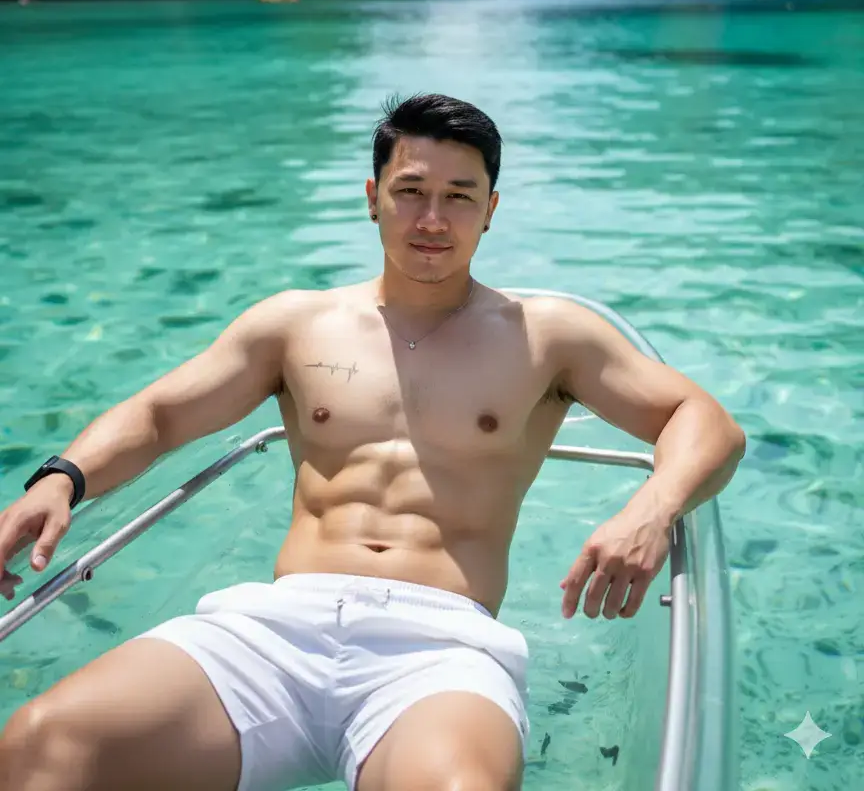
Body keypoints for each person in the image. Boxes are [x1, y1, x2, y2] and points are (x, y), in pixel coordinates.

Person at [0, 93, 746, 791]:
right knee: (41, 743)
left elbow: (704, 421)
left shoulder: (548, 335)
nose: (432, 218)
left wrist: (652, 508)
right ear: (371, 198)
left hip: (440, 650)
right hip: (271, 631)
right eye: (411, 191)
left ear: (490, 211)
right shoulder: (295, 323)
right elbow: (161, 414)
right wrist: (61, 478)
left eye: (459, 197)